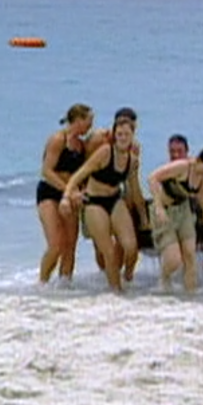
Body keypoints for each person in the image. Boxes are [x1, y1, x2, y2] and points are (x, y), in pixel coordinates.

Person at [61, 115, 142, 292]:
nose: (122, 138)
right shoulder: (105, 152)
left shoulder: (133, 160)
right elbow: (79, 175)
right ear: (114, 135)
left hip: (114, 199)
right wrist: (67, 197)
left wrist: (144, 216)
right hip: (94, 201)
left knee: (131, 247)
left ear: (132, 136)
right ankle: (116, 292)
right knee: (109, 252)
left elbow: (134, 190)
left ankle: (127, 279)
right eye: (119, 134)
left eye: (126, 135)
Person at [148, 147, 203, 292]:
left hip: (183, 210)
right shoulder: (183, 167)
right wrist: (158, 207)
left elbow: (201, 195)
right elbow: (153, 178)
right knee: (174, 260)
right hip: (165, 211)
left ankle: (190, 296)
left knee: (190, 255)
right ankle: (164, 278)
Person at [84, 107, 149, 270]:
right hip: (92, 194)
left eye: (131, 129)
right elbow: (85, 168)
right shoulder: (100, 139)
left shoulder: (133, 148)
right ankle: (106, 276)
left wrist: (140, 212)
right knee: (100, 245)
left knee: (125, 241)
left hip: (114, 195)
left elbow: (131, 179)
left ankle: (121, 276)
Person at [36, 103, 93, 285]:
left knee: (70, 246)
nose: (90, 126)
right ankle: (42, 284)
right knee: (56, 244)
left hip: (71, 195)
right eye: (88, 122)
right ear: (77, 120)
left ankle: (64, 285)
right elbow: (47, 171)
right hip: (50, 192)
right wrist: (67, 190)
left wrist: (80, 191)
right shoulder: (58, 140)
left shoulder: (82, 146)